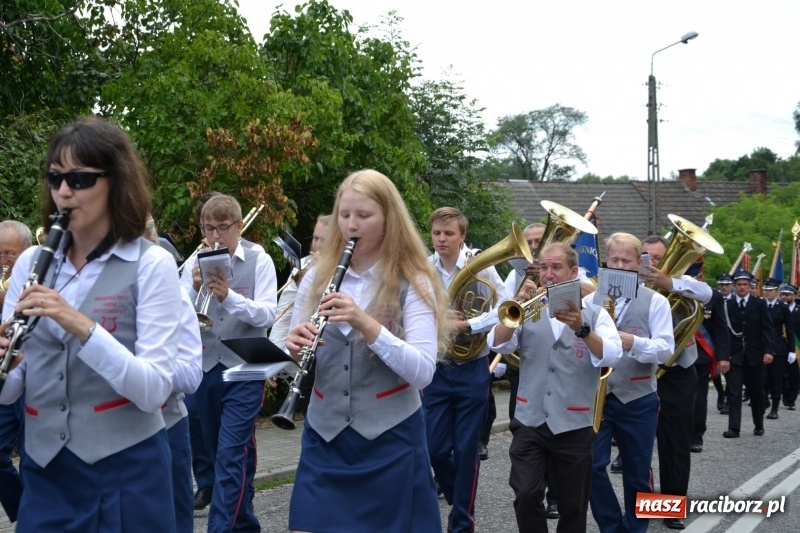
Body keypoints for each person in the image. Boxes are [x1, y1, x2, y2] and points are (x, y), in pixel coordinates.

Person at [0, 115, 181, 532]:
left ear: (115, 181)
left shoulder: (150, 264)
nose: (64, 191)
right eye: (55, 178)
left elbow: (154, 389)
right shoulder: (32, 262)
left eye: (80, 179)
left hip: (126, 470)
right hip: (45, 470)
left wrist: (81, 325)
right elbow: (14, 386)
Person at [284, 169, 451, 532]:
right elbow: (295, 355)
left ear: (388, 219)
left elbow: (423, 371)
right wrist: (293, 351)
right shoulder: (315, 276)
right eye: (345, 215)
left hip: (391, 439)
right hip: (325, 435)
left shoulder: (415, 278)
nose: (351, 225)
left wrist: (367, 324)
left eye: (363, 215)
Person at [489, 242, 621, 533]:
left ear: (574, 272)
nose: (548, 274)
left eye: (556, 267)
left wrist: (582, 329)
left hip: (574, 422)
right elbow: (497, 343)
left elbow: (612, 355)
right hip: (530, 419)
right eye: (544, 267)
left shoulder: (596, 313)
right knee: (525, 493)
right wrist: (513, 306)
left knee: (573, 506)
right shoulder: (527, 309)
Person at [180, 193, 277, 532]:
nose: (215, 236)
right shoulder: (195, 260)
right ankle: (245, 522)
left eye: (222, 228)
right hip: (206, 364)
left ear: (238, 226)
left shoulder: (258, 258)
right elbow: (176, 316)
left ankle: (219, 528)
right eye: (208, 228)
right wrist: (193, 290)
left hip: (248, 360)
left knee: (230, 454)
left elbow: (268, 312)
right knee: (218, 450)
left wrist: (229, 296)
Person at [425, 206, 510, 533]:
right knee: (434, 448)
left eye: (449, 233)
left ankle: (461, 521)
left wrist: (469, 324)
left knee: (465, 449)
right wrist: (437, 321)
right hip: (437, 366)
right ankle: (457, 494)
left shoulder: (483, 269)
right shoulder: (425, 269)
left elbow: (505, 308)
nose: (441, 239)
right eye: (436, 233)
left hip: (473, 366)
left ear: (462, 237)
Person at [589, 233, 673, 533]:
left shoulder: (656, 301)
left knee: (637, 472)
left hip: (638, 397)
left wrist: (633, 342)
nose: (620, 265)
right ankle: (611, 526)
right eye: (615, 260)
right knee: (590, 466)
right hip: (596, 397)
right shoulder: (589, 300)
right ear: (606, 262)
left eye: (627, 260)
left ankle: (636, 529)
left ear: (640, 264)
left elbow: (665, 350)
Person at [640, 234, 713, 531]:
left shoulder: (682, 283)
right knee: (637, 446)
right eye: (647, 258)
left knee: (675, 445)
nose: (653, 264)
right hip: (639, 371)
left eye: (658, 258)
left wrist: (669, 283)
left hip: (677, 373)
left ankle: (672, 508)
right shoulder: (629, 282)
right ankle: (642, 504)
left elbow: (708, 294)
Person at [144, 217, 203, 533]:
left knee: (175, 525)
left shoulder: (174, 294)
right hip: (111, 436)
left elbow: (192, 375)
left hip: (167, 428)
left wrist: (135, 363)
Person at [270, 214, 330, 417]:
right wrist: (273, 359)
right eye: (315, 238)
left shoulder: (346, 267)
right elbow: (283, 315)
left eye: (324, 240)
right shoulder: (303, 265)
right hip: (307, 358)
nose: (317, 246)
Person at [0, 220, 33, 524]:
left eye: (9, 255)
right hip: (3, 382)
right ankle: (26, 511)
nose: (3, 263)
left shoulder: (36, 275)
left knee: (32, 457)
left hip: (29, 382)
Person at [723, 269, 775, 439]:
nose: (742, 287)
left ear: (750, 286)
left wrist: (768, 351)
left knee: (756, 392)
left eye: (745, 284)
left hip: (755, 356)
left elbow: (767, 328)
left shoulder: (759, 304)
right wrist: (723, 356)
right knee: (734, 392)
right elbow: (724, 333)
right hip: (735, 356)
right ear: (734, 286)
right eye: (739, 284)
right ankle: (734, 428)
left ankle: (758, 424)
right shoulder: (727, 305)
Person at [690, 265, 730, 454]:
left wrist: (723, 357)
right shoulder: (669, 291)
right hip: (673, 355)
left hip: (700, 356)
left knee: (698, 398)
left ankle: (696, 436)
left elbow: (721, 328)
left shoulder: (713, 296)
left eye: (695, 275)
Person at [761, 277, 794, 420]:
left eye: (771, 291)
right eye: (766, 290)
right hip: (762, 345)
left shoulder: (783, 307)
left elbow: (790, 329)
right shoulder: (760, 305)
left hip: (778, 345)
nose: (768, 293)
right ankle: (764, 400)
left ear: (776, 291)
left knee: (776, 378)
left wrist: (792, 349)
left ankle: (774, 408)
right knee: (762, 378)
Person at [714, 273, 734, 414]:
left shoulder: (736, 301)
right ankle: (720, 393)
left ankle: (727, 398)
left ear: (731, 285)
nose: (724, 287)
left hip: (733, 342)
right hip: (716, 341)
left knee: (730, 373)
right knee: (714, 373)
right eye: (722, 285)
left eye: (727, 284)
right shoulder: (713, 299)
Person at [779, 284, 800, 409]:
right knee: (782, 373)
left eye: (788, 295)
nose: (785, 297)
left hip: (797, 348)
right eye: (783, 294)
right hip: (782, 345)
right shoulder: (779, 309)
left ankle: (791, 399)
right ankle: (785, 395)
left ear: (794, 296)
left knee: (794, 375)